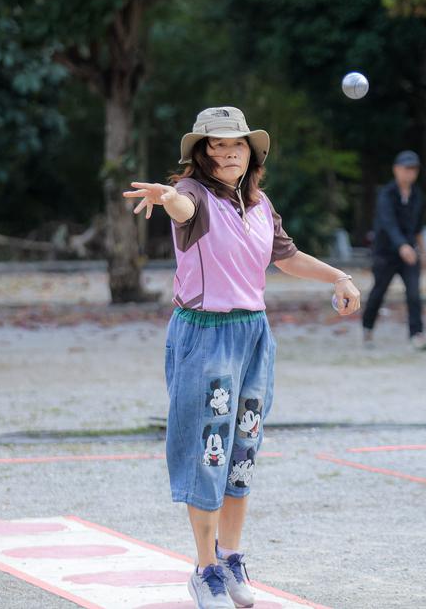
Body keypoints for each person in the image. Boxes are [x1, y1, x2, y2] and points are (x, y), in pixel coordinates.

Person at [123, 106, 361, 609]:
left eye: (238, 144)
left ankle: (230, 557)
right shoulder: (193, 195)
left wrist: (339, 277)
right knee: (208, 449)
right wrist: (167, 197)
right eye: (218, 144)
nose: (230, 152)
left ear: (252, 153)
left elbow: (287, 257)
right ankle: (204, 569)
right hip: (205, 333)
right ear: (202, 152)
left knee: (242, 450)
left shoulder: (259, 204)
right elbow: (182, 208)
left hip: (253, 334)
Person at [361, 149, 426, 351]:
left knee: (414, 294)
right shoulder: (386, 194)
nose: (410, 173)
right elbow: (388, 223)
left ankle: (417, 334)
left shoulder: (417, 195)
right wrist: (402, 246)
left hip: (409, 254)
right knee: (379, 292)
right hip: (385, 253)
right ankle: (367, 328)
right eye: (406, 168)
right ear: (396, 169)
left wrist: (422, 252)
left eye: (414, 169)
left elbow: (418, 227)